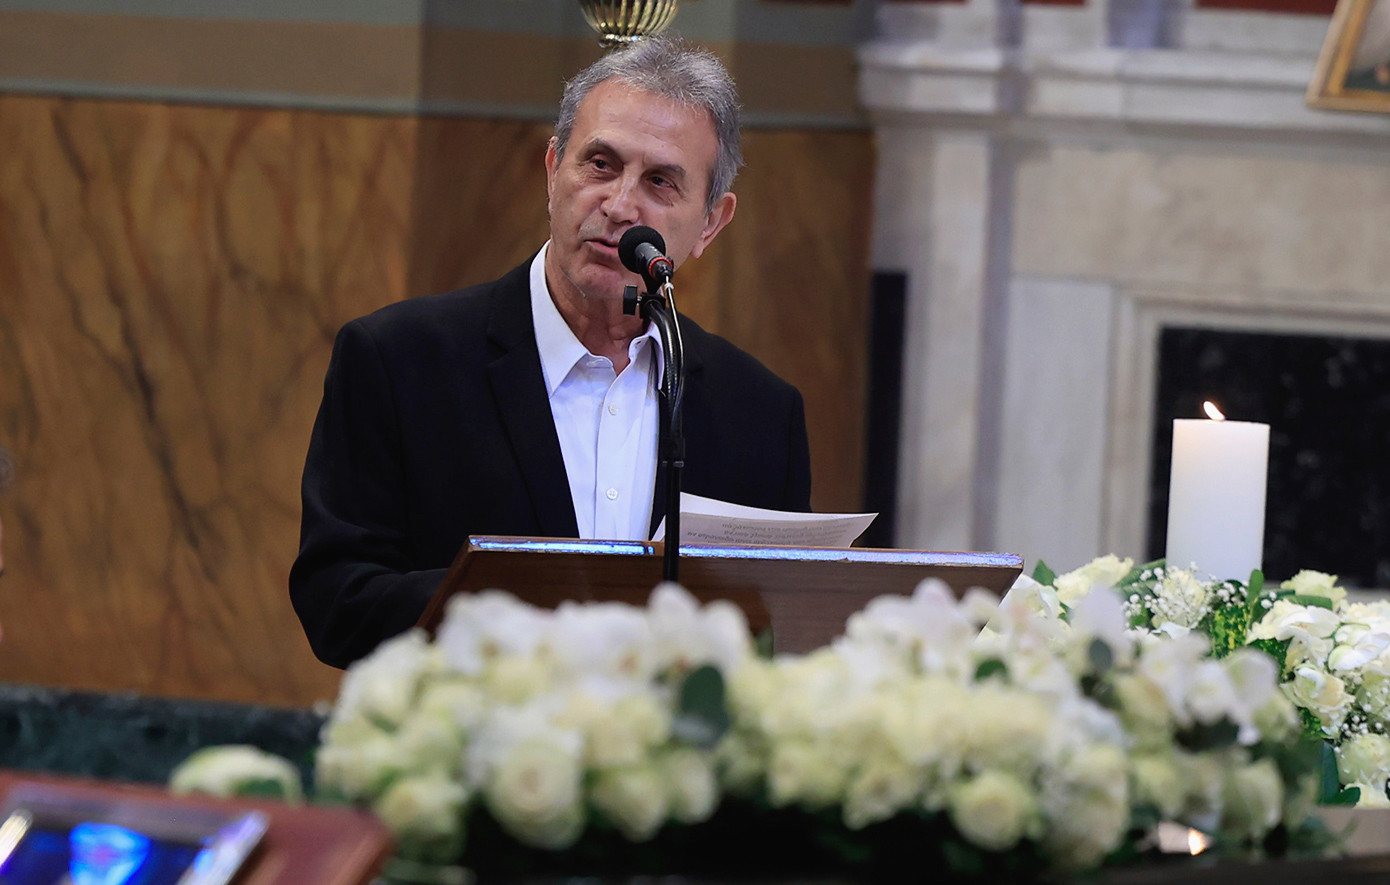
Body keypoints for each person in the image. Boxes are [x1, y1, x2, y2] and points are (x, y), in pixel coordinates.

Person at [291, 37, 812, 669]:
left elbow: (783, 639)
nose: (619, 205)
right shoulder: (400, 360)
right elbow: (337, 602)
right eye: (600, 164)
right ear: (552, 170)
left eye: (660, 182)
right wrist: (535, 613)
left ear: (710, 223)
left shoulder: (760, 413)